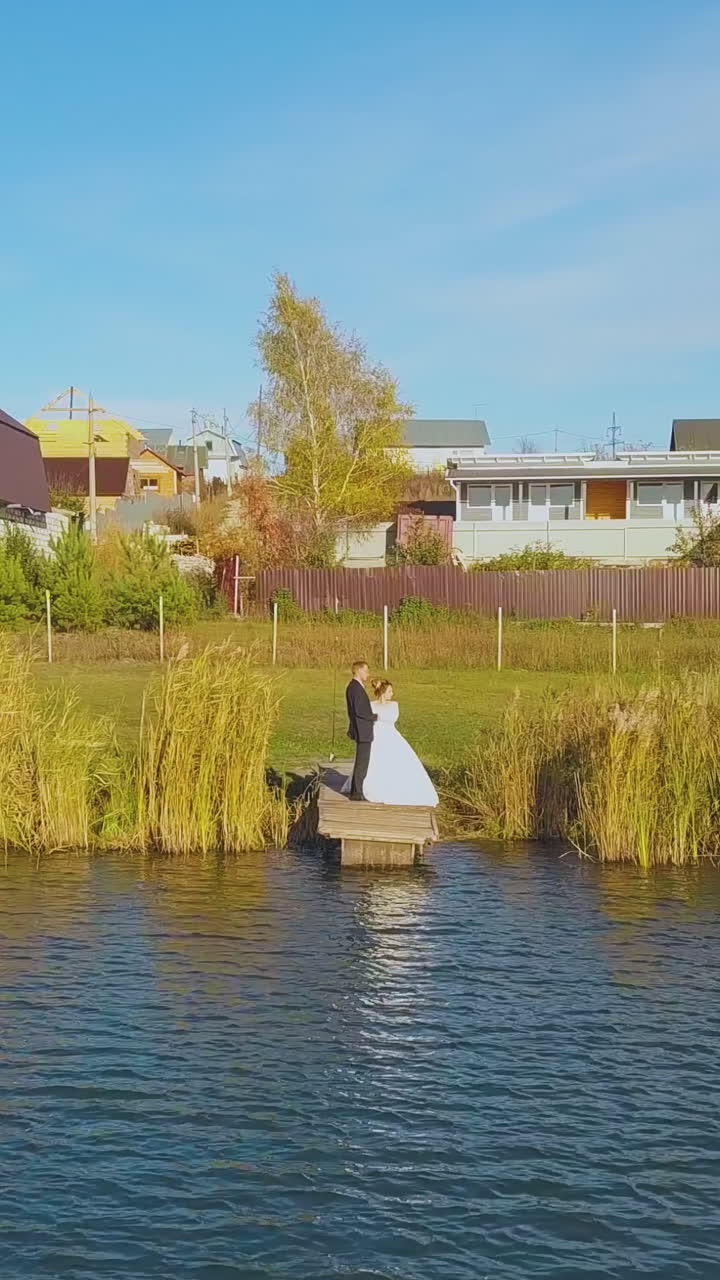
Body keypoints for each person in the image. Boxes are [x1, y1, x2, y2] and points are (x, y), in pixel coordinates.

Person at [363, 680, 439, 807]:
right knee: (375, 760)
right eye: (389, 691)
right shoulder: (371, 705)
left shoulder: (393, 705)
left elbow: (392, 718)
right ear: (382, 692)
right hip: (376, 735)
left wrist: (377, 717)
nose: (392, 694)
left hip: (390, 735)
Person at [345, 660, 376, 801]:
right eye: (366, 671)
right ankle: (357, 793)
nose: (368, 674)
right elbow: (360, 710)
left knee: (362, 762)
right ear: (358, 670)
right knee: (362, 762)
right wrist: (373, 716)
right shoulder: (355, 688)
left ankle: (356, 790)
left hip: (362, 729)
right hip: (362, 730)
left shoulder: (354, 687)